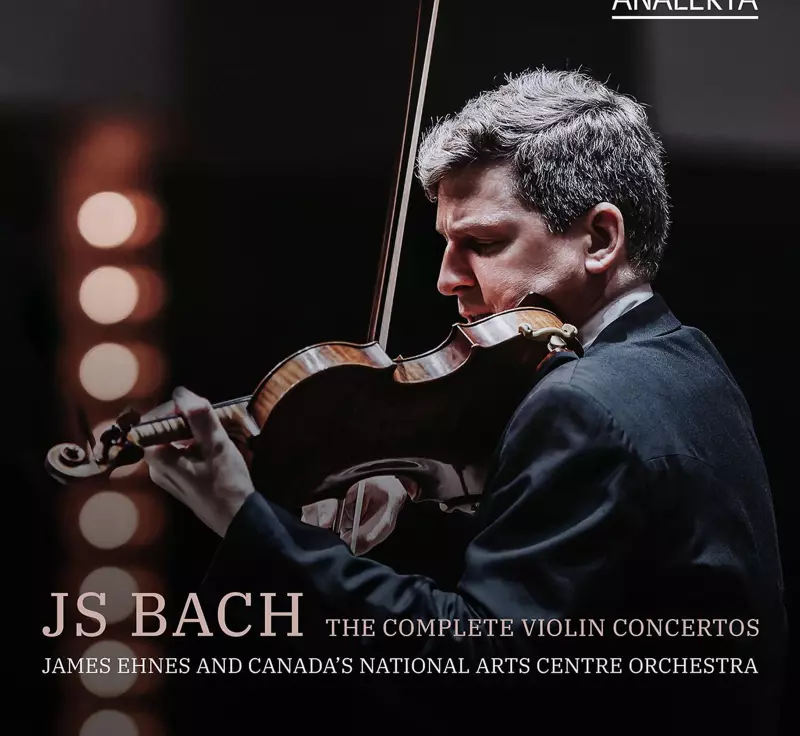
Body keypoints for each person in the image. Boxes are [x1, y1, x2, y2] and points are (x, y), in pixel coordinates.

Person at [145, 69, 786, 734]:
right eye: (446, 244)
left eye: (481, 244)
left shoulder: (583, 403)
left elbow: (472, 671)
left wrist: (245, 518)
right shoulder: (687, 361)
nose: (447, 279)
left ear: (599, 239)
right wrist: (417, 481)